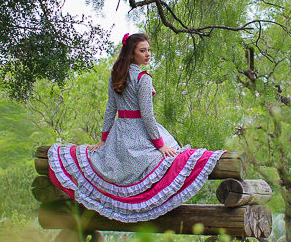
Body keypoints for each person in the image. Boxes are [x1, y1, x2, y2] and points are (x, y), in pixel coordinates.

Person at [44, 33, 226, 222]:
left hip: (119, 135)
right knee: (171, 159)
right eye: (142, 50)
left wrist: (104, 139)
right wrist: (159, 144)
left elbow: (110, 110)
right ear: (131, 53)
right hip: (139, 134)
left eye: (149, 50)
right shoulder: (143, 78)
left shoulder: (116, 75)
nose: (148, 54)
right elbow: (147, 115)